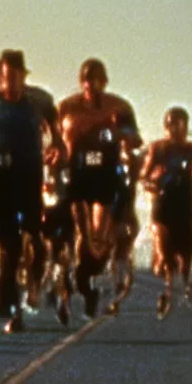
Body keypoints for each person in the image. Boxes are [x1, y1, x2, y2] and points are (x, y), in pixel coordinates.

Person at [58, 58, 142, 318]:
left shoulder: (119, 107)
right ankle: (76, 280)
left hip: (105, 174)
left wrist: (117, 135)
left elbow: (134, 138)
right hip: (77, 174)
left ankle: (90, 271)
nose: (90, 84)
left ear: (104, 82)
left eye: (95, 79)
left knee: (98, 237)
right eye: (86, 78)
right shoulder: (66, 107)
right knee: (79, 233)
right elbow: (53, 140)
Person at [0, 50, 45, 332]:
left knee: (34, 241)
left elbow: (58, 132)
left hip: (29, 178)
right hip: (1, 179)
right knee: (9, 245)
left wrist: (58, 147)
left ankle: (34, 287)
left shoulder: (38, 102)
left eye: (17, 76)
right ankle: (9, 303)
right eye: (6, 76)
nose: (12, 82)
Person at [141, 107, 192, 318]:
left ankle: (184, 285)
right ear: (166, 127)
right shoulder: (159, 149)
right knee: (165, 249)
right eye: (172, 125)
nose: (176, 129)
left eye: (180, 125)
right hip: (163, 203)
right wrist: (152, 182)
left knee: (185, 251)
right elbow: (144, 176)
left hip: (185, 204)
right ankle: (168, 287)